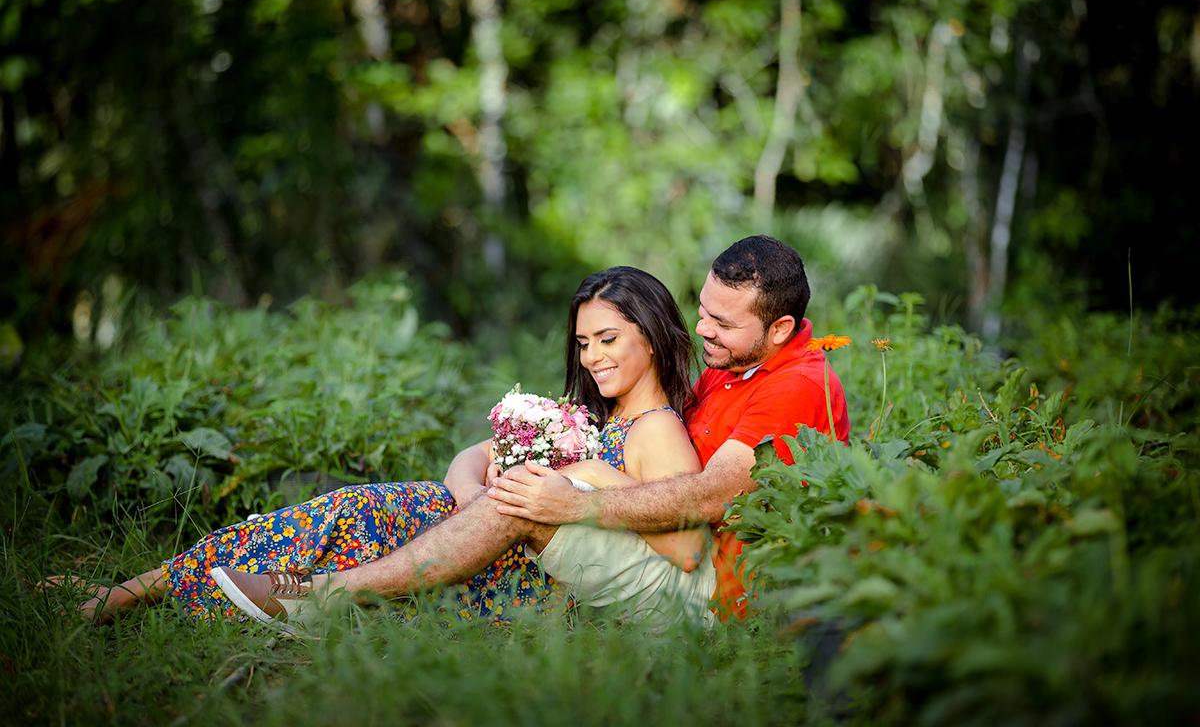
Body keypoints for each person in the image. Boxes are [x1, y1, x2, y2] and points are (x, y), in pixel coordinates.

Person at [216, 235, 850, 624]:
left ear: (780, 329)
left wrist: (578, 494)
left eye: (724, 323)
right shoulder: (728, 368)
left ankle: (319, 597)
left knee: (524, 501)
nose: (705, 329)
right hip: (671, 557)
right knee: (401, 505)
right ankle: (223, 581)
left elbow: (708, 500)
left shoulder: (797, 386)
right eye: (703, 311)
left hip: (717, 596)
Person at [45, 267, 715, 629]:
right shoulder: (590, 416)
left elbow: (687, 546)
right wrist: (472, 502)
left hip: (536, 578)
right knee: (347, 513)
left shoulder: (655, 429)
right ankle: (136, 589)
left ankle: (146, 596)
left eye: (608, 340)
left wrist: (585, 478)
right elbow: (471, 457)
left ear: (651, 335)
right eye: (584, 342)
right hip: (480, 533)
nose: (592, 356)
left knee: (346, 530)